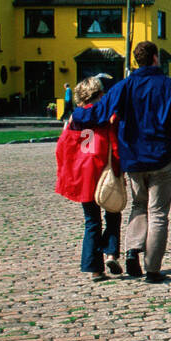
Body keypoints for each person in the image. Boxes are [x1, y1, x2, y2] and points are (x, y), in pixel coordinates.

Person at [71, 41, 171, 283]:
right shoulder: (169, 87)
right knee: (158, 213)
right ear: (156, 58)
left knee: (138, 205)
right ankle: (153, 269)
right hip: (161, 157)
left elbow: (99, 112)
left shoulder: (123, 87)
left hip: (133, 158)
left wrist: (77, 115)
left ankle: (132, 249)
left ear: (136, 61)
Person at [55, 76, 122, 281]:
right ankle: (110, 253)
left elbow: (62, 148)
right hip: (103, 171)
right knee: (113, 213)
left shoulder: (73, 119)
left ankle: (94, 268)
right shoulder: (105, 116)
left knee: (91, 221)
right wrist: (120, 171)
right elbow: (115, 145)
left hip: (83, 175)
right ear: (99, 94)